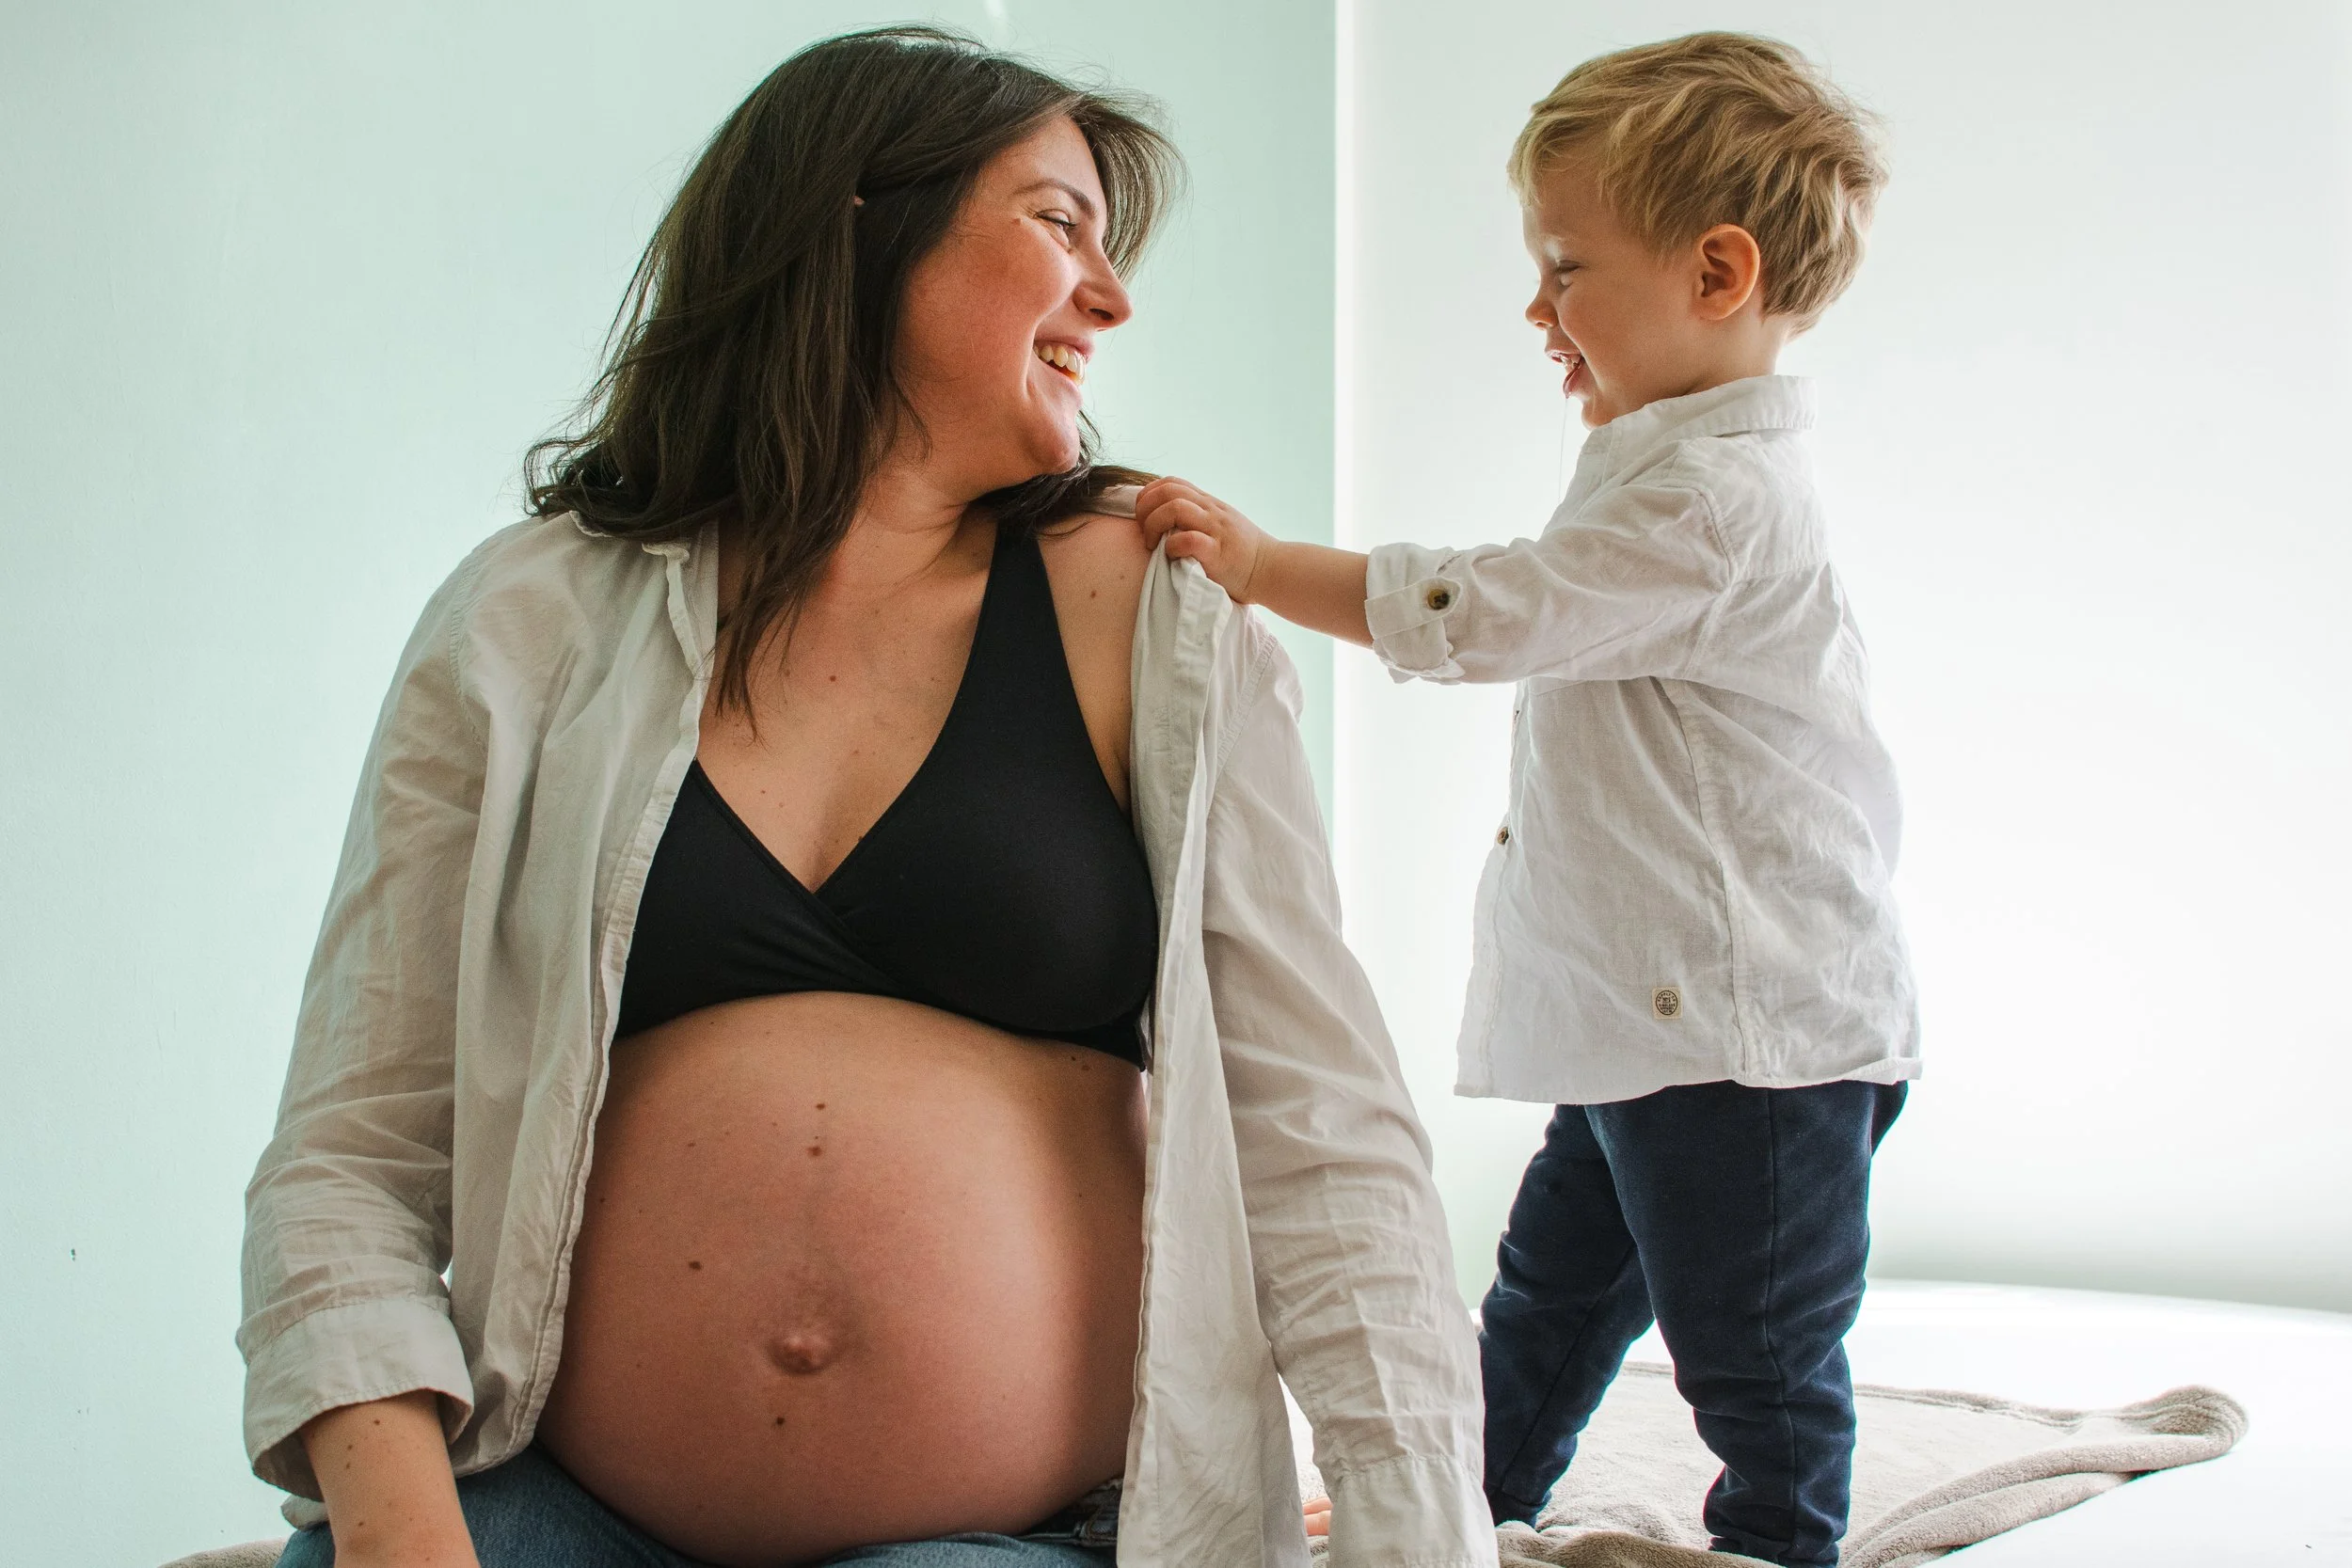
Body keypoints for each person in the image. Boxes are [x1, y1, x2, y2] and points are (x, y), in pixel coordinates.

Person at [238, 27, 1496, 1568]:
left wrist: (1417, 1538)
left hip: (1009, 1532)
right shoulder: (530, 618)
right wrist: (405, 1541)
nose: (1111, 297)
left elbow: (1324, 1129)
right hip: (553, 1514)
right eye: (1058, 224)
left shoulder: (1145, 610)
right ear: (858, 218)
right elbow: (354, 1145)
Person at [1135, 32, 1920, 1566]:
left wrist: (1266, 564)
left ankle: (1781, 1534)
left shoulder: (1720, 496)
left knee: (1752, 1342)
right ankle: (1476, 1502)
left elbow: (1495, 609)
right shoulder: (1658, 461)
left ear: (1716, 272)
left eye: (1568, 267)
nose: (1537, 307)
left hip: (1757, 1041)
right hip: (1653, 1023)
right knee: (1550, 1289)